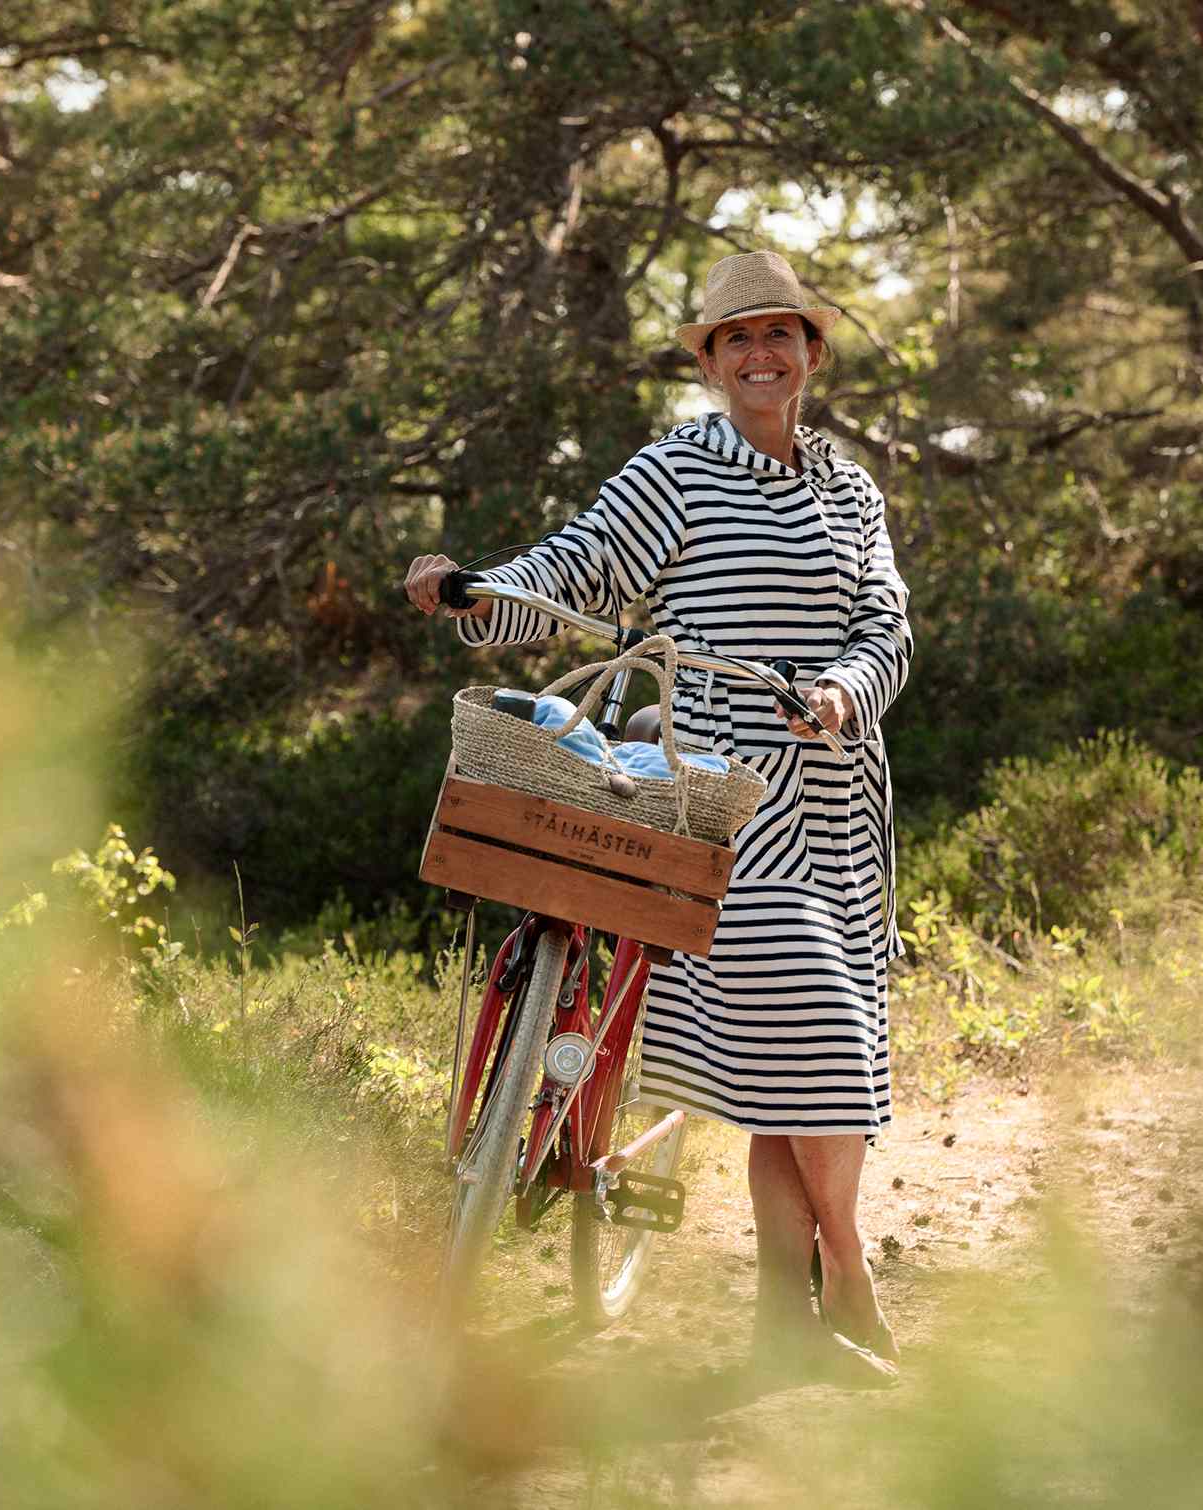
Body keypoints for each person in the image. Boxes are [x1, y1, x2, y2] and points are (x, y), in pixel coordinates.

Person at [404, 249, 912, 1385]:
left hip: (839, 799)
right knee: (819, 1032)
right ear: (710, 362)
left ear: (811, 352)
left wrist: (843, 689)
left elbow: (888, 625)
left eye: (779, 333)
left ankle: (790, 1324)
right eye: (735, 339)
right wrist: (476, 587)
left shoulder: (851, 488)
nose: (760, 354)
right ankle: (853, 1274)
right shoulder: (676, 468)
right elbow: (577, 564)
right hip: (720, 790)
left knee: (799, 1077)